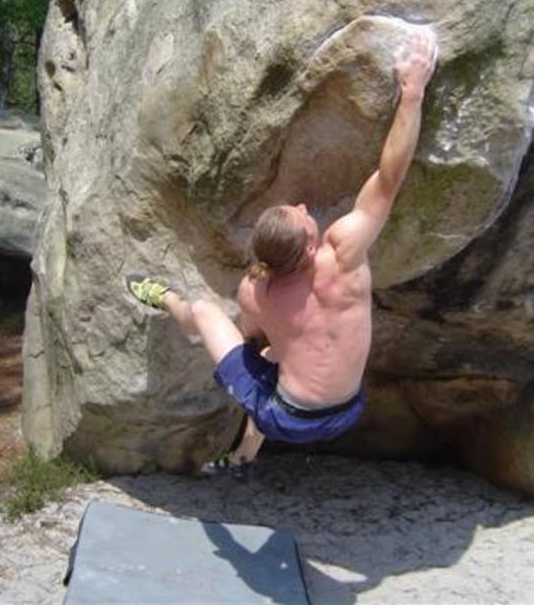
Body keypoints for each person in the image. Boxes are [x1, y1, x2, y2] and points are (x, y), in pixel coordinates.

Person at [127, 29, 439, 476]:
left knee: (206, 314)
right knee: (269, 364)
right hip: (347, 410)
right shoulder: (345, 255)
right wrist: (412, 93)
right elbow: (390, 178)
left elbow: (253, 345)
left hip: (287, 416)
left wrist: (284, 334)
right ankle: (242, 452)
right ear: (310, 246)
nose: (303, 208)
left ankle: (168, 301)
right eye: (301, 215)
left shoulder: (255, 293)